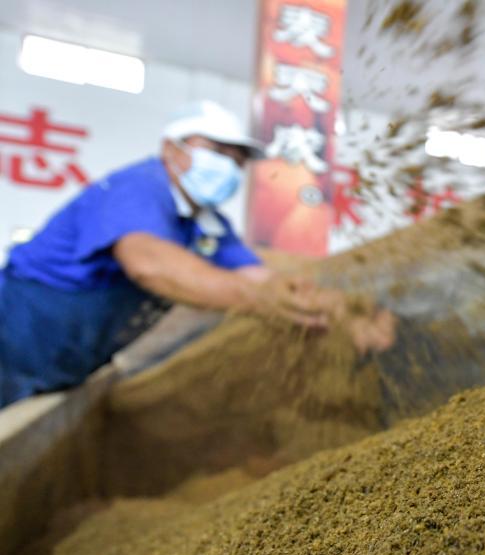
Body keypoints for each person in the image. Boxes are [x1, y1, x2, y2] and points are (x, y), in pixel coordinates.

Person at [0, 101, 394, 408]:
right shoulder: (140, 187)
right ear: (171, 149)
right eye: (217, 150)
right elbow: (149, 264)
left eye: (237, 159)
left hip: (61, 365)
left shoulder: (207, 223)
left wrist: (345, 312)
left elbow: (262, 279)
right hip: (14, 341)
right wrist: (264, 301)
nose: (229, 165)